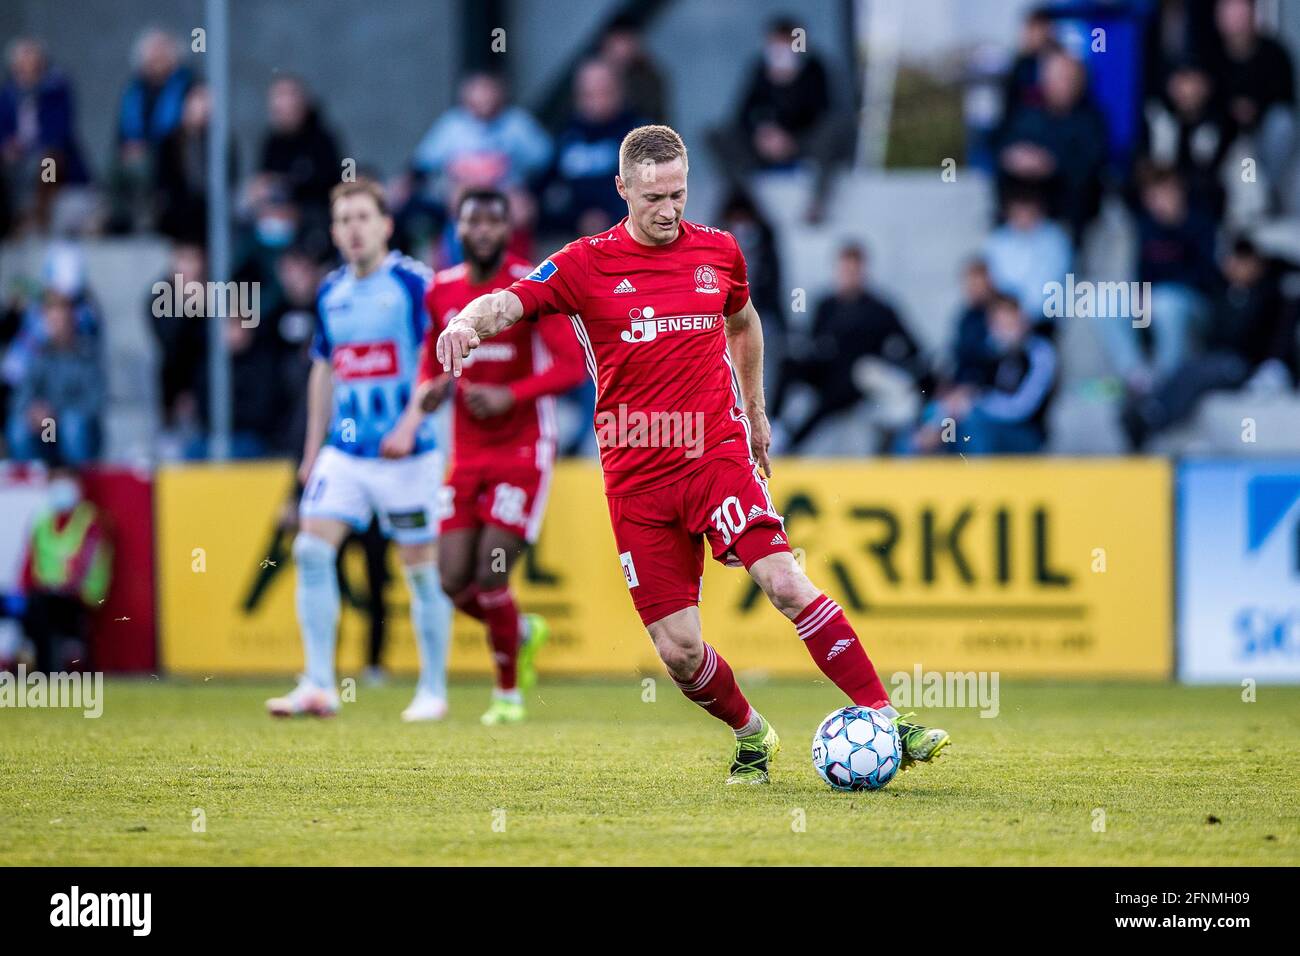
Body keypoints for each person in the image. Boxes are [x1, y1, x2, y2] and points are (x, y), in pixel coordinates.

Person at [435, 125, 950, 784]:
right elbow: (510, 301)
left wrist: (756, 410)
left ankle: (885, 716)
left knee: (785, 582)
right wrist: (463, 325)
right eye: (653, 197)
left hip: (715, 455)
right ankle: (752, 734)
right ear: (622, 189)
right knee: (678, 651)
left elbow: (744, 321)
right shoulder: (584, 264)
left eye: (678, 193)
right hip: (635, 479)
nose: (669, 209)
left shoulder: (719, 252)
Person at [388, 189, 585, 724]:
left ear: (507, 228)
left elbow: (574, 367)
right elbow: (434, 360)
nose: (481, 231)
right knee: (452, 580)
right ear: (457, 227)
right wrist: (430, 389)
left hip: (523, 451)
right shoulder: (442, 290)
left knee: (492, 574)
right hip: (468, 453)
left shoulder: (529, 287)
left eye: (492, 222)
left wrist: (510, 395)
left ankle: (507, 696)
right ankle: (521, 632)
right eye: (471, 221)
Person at [265, 178, 453, 723]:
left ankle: (433, 689)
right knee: (311, 549)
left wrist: (412, 422)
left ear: (385, 225)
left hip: (409, 453)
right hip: (346, 452)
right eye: (343, 220)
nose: (353, 229)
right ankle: (318, 684)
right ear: (334, 231)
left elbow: (443, 358)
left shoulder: (415, 284)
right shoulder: (331, 292)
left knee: (419, 568)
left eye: (362, 218)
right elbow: (324, 370)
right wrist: (310, 449)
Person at [1121, 237, 1294, 448]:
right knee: (1189, 368)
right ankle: (1152, 408)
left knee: (1202, 372)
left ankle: (1156, 415)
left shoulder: (1269, 296)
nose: (1234, 267)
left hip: (1243, 365)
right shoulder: (1222, 293)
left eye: (1242, 262)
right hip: (1220, 358)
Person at [769, 243, 925, 452]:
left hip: (855, 380)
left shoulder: (879, 309)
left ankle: (790, 445)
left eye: (854, 271)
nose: (849, 276)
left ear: (863, 271)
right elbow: (813, 341)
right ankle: (773, 425)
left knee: (828, 399)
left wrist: (886, 362)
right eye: (845, 270)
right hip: (826, 370)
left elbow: (911, 345)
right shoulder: (826, 304)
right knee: (788, 363)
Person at [909, 292, 1058, 455]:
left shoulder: (1039, 353)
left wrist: (975, 405)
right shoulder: (990, 353)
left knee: (972, 424)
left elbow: (1020, 407)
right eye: (999, 325)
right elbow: (965, 392)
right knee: (925, 429)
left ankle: (975, 478)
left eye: (1009, 323)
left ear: (1022, 320)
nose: (1004, 331)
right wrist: (937, 421)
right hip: (984, 423)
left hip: (1025, 433)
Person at [18, 468, 111, 673]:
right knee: (32, 607)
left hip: (81, 597)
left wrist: (62, 588)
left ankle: (48, 668)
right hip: (47, 596)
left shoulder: (88, 520)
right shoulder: (42, 521)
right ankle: (41, 666)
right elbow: (29, 563)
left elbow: (84, 566)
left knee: (44, 610)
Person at [6, 288, 103, 465]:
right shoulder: (37, 354)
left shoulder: (87, 354)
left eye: (61, 318)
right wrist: (34, 413)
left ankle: (77, 482)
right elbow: (21, 397)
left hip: (76, 432)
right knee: (18, 428)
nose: (56, 324)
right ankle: (31, 483)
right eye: (52, 319)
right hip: (46, 432)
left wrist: (55, 413)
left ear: (72, 319)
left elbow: (94, 402)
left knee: (72, 425)